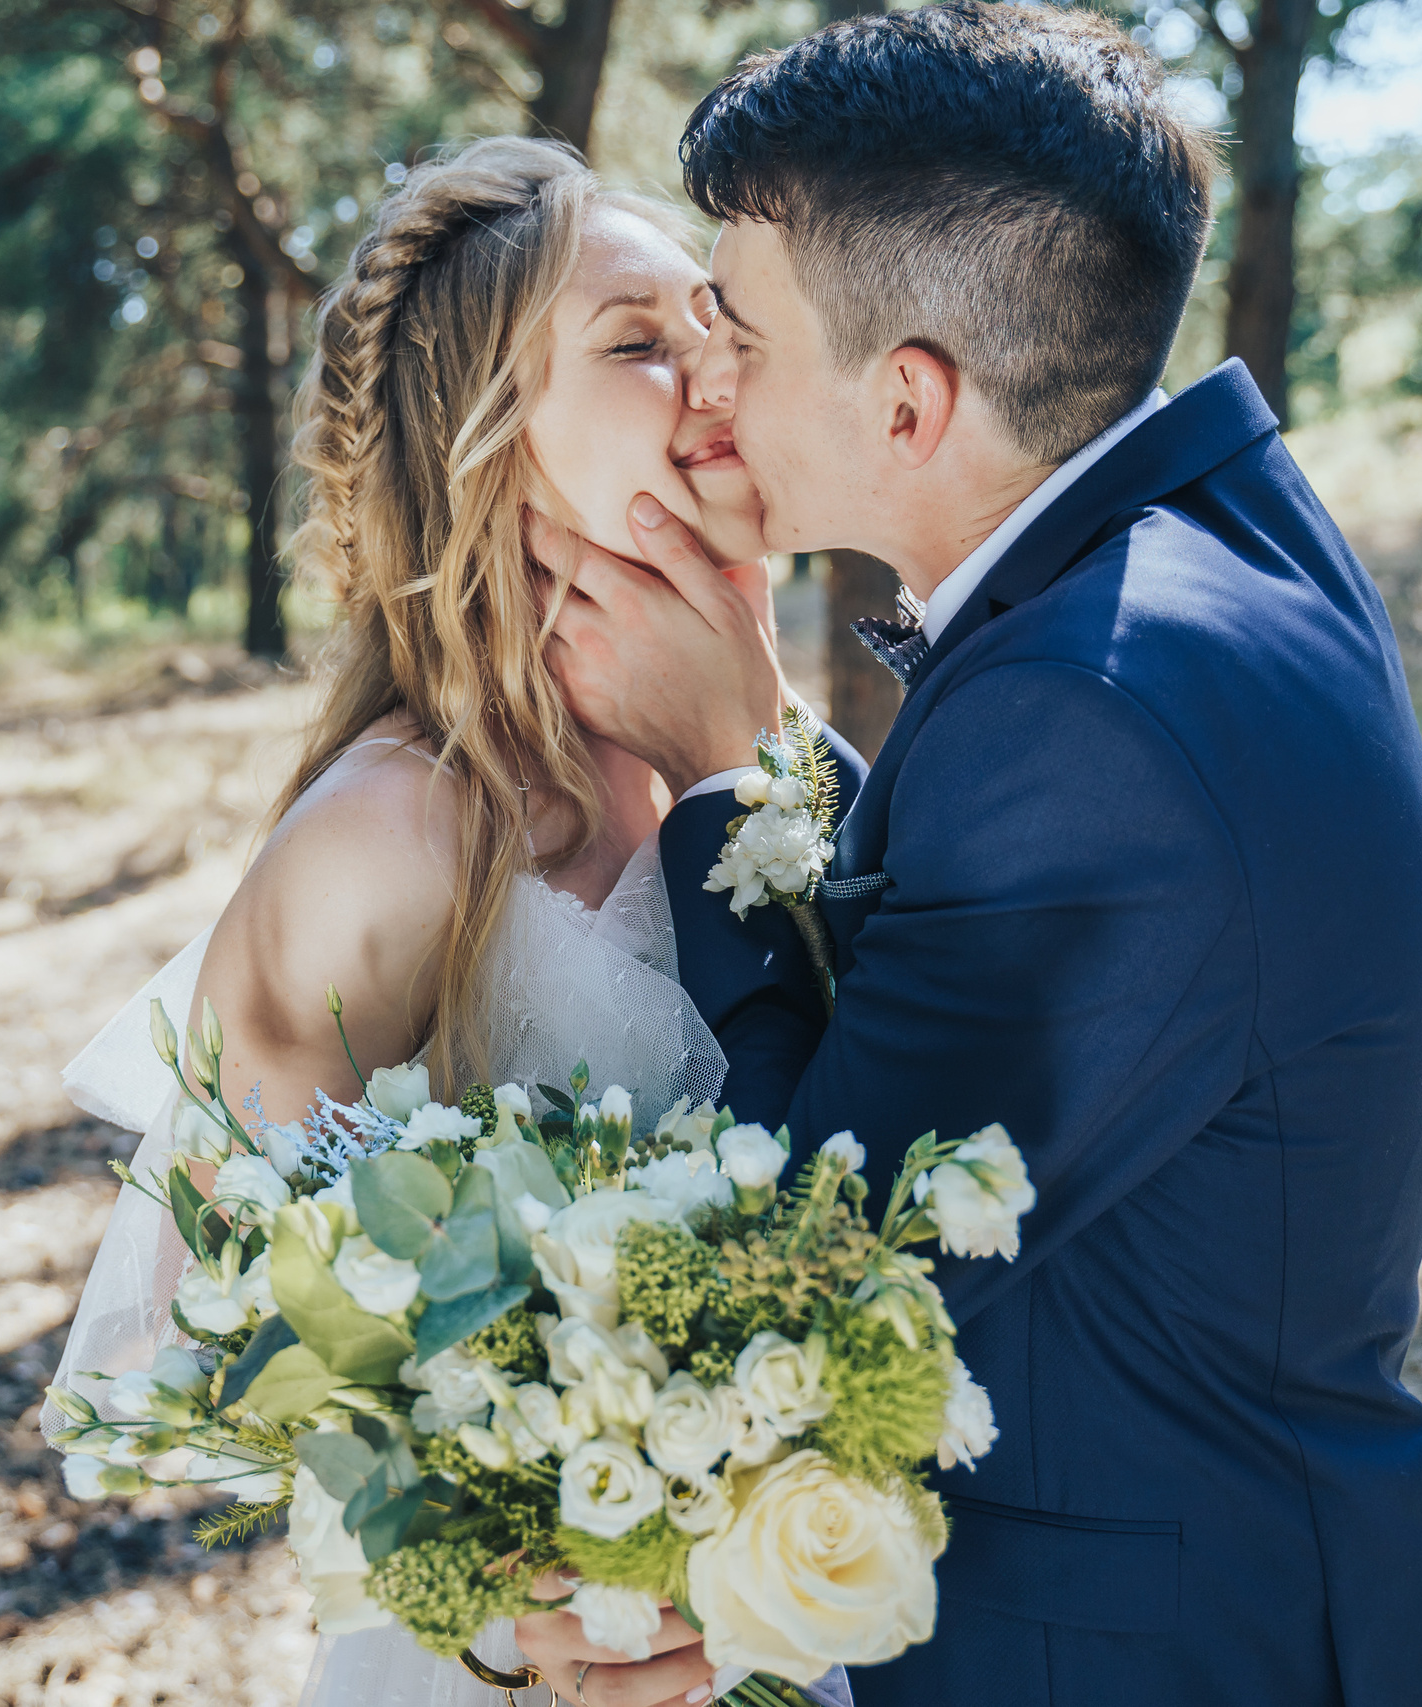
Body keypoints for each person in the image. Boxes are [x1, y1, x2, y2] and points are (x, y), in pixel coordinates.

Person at [532, 6, 1422, 1706]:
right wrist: (775, 749)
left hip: (1142, 1652)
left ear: (906, 403)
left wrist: (723, 780)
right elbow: (996, 969)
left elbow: (825, 1251)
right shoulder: (1203, 544)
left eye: (736, 330)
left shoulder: (1100, 707)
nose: (704, 386)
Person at [42, 135, 858, 1707]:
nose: (714, 375)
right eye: (636, 344)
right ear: (483, 447)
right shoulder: (387, 843)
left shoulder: (758, 745)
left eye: (715, 326)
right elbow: (206, 1332)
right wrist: (500, 1606)